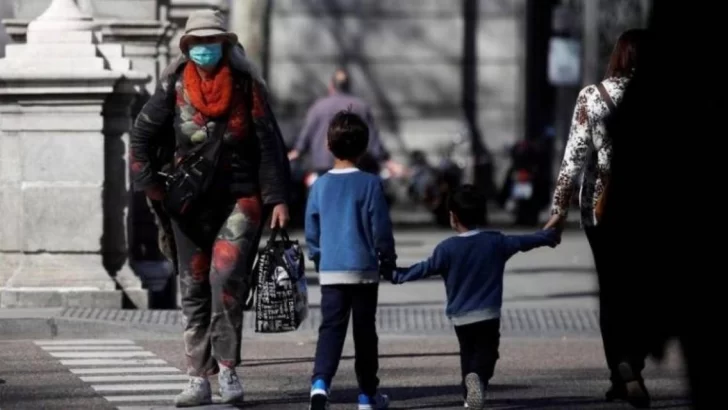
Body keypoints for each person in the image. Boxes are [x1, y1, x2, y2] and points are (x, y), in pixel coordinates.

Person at [129, 10, 290, 407]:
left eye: (212, 42)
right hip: (187, 206)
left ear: (226, 45)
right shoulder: (172, 87)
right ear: (186, 47)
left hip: (241, 199)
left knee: (227, 280)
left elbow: (269, 144)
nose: (204, 49)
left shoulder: (246, 86)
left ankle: (229, 369)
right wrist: (150, 184)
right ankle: (198, 377)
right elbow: (141, 135)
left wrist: (278, 198)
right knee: (194, 286)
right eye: (197, 43)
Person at [544, 29, 650, 408]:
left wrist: (558, 211)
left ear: (619, 56)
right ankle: (631, 367)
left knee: (612, 289)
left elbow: (574, 158)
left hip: (602, 207)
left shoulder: (593, 95)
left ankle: (622, 366)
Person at [391, 185, 558, 409]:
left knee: (467, 353)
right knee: (488, 354)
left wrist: (397, 275)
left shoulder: (446, 248)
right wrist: (546, 237)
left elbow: (424, 269)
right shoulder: (496, 242)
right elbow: (525, 242)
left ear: (453, 217)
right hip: (488, 313)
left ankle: (469, 396)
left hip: (460, 316)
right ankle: (477, 380)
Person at [304, 110, 396, 410]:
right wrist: (388, 259)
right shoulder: (370, 184)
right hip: (364, 270)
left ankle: (320, 384)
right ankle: (368, 394)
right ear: (364, 146)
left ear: (328, 146)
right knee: (364, 333)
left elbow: (312, 231)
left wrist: (319, 259)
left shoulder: (318, 185)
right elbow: (380, 229)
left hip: (331, 270)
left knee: (330, 328)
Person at [287, 68, 404, 177]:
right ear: (348, 86)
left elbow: (304, 138)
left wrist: (295, 153)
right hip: (352, 166)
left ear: (331, 86)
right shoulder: (361, 107)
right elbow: (373, 140)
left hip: (323, 166)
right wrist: (386, 161)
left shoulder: (318, 107)